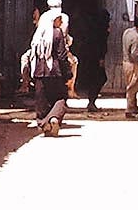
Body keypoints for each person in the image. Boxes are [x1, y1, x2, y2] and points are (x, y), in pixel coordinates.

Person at [33, 8, 71, 137]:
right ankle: (54, 118)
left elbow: (33, 54)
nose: (60, 23)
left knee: (42, 100)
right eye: (59, 20)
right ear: (53, 21)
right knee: (61, 98)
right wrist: (68, 73)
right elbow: (61, 56)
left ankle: (44, 123)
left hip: (39, 72)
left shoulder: (39, 34)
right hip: (55, 72)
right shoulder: (57, 33)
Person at [75, 8, 110, 112]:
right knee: (99, 78)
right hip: (95, 58)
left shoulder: (92, 28)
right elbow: (100, 45)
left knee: (95, 79)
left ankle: (92, 101)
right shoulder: (100, 30)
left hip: (89, 57)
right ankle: (91, 102)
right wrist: (101, 58)